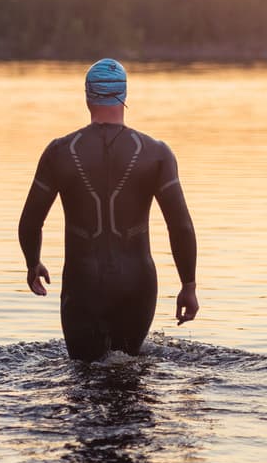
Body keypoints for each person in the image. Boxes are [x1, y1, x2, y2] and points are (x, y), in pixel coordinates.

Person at [17, 58, 199, 361]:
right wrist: (188, 285)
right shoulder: (156, 153)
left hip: (82, 282)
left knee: (83, 380)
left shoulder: (60, 152)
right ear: (124, 96)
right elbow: (180, 226)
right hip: (137, 282)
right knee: (129, 378)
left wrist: (32, 263)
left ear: (87, 97)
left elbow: (30, 222)